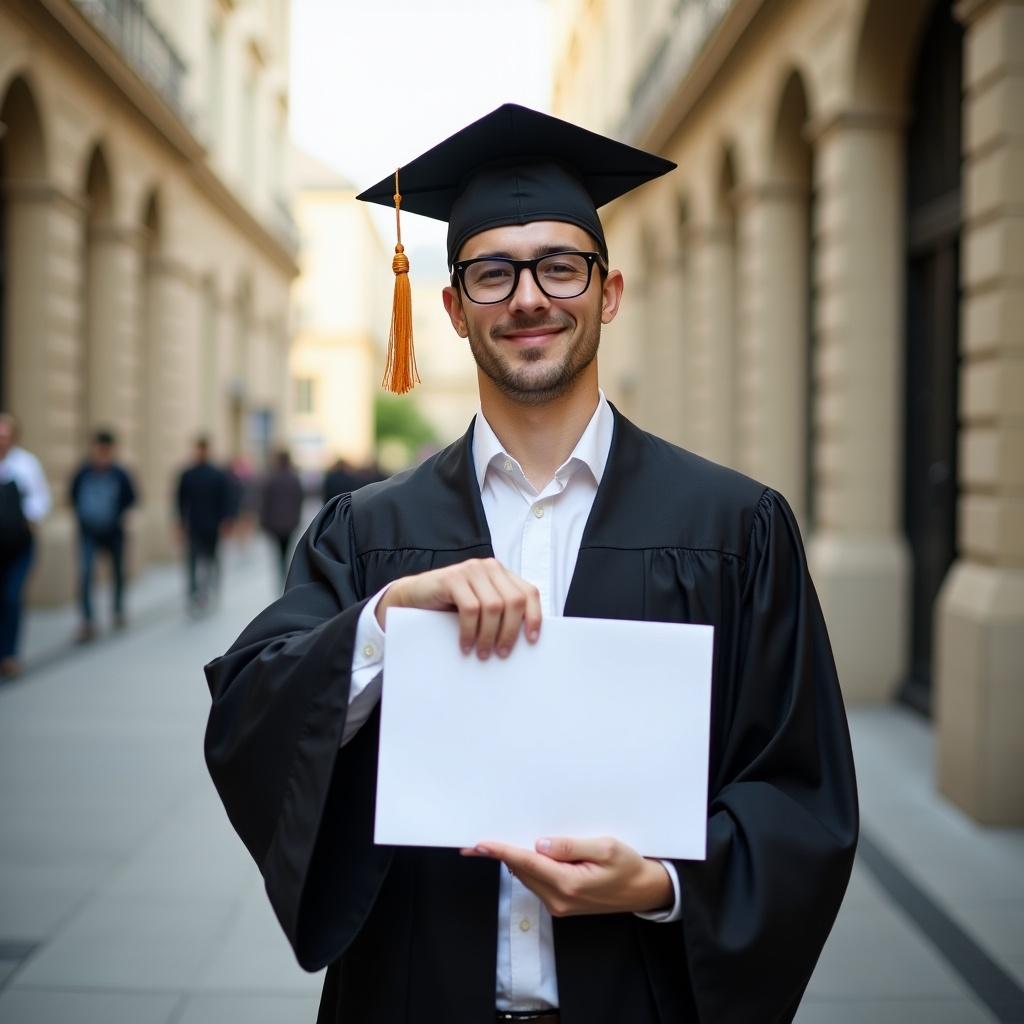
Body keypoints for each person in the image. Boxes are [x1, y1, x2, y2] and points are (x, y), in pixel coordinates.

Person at [204, 105, 858, 1023]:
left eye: (560, 265)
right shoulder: (367, 533)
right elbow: (247, 716)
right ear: (452, 307)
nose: (527, 297)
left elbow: (802, 791)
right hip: (412, 996)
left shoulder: (735, 526)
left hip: (639, 999)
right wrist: (384, 623)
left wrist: (663, 882)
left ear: (609, 291)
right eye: (491, 273)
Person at [69, 429, 137, 641]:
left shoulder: (120, 473)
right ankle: (88, 620)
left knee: (117, 573)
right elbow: (72, 496)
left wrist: (119, 515)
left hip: (113, 532)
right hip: (89, 532)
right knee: (86, 574)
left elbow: (131, 498)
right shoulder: (83, 472)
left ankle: (117, 610)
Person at [0, 413, 52, 678]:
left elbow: (41, 498)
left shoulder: (25, 465)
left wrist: (29, 518)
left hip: (19, 544)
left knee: (11, 597)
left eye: (5, 435)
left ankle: (9, 654)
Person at [176, 437, 231, 614]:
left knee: (211, 560)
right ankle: (194, 594)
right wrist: (179, 523)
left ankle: (210, 591)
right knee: (192, 561)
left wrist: (226, 520)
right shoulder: (188, 474)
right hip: (194, 526)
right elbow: (180, 501)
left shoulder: (217, 474)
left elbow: (225, 499)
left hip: (213, 526)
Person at [258, 449, 305, 588]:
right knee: (286, 551)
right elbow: (299, 500)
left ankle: (282, 574)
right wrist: (297, 519)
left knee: (279, 552)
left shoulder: (272, 479)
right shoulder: (294, 479)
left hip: (275, 524)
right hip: (290, 523)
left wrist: (264, 521)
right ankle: (285, 575)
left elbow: (265, 502)